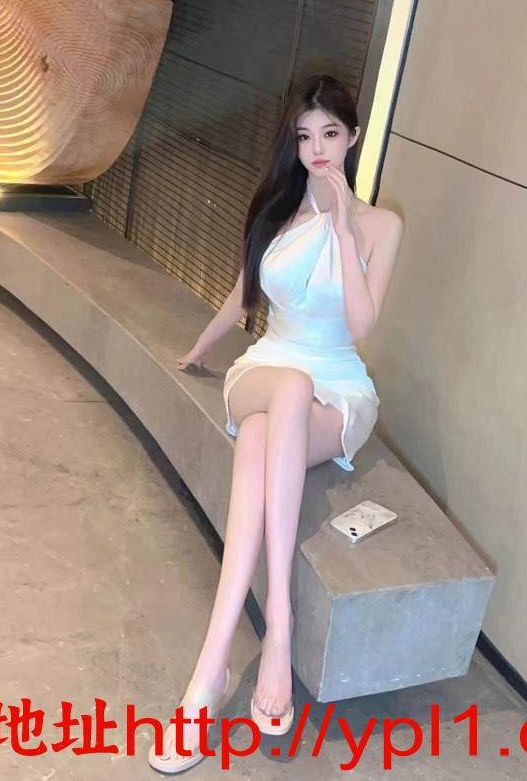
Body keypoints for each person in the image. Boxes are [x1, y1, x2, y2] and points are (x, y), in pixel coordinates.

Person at [148, 74, 403, 773]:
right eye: (304, 135)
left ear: (352, 137)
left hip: (337, 388)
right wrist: (198, 351)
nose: (317, 148)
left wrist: (344, 227)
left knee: (264, 435)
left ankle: (209, 673)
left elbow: (360, 325)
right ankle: (279, 631)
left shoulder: (382, 226)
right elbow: (242, 298)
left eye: (330, 133)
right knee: (284, 390)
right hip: (266, 369)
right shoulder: (278, 210)